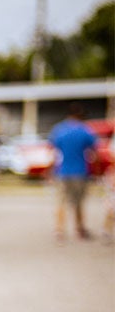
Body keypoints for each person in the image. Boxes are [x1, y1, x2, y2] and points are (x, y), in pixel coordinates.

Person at [48, 103, 97, 242]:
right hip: (80, 171)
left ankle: (59, 230)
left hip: (62, 171)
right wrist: (97, 170)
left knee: (61, 201)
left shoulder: (59, 129)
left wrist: (49, 170)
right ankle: (79, 228)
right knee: (78, 202)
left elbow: (54, 152)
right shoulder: (85, 130)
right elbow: (94, 152)